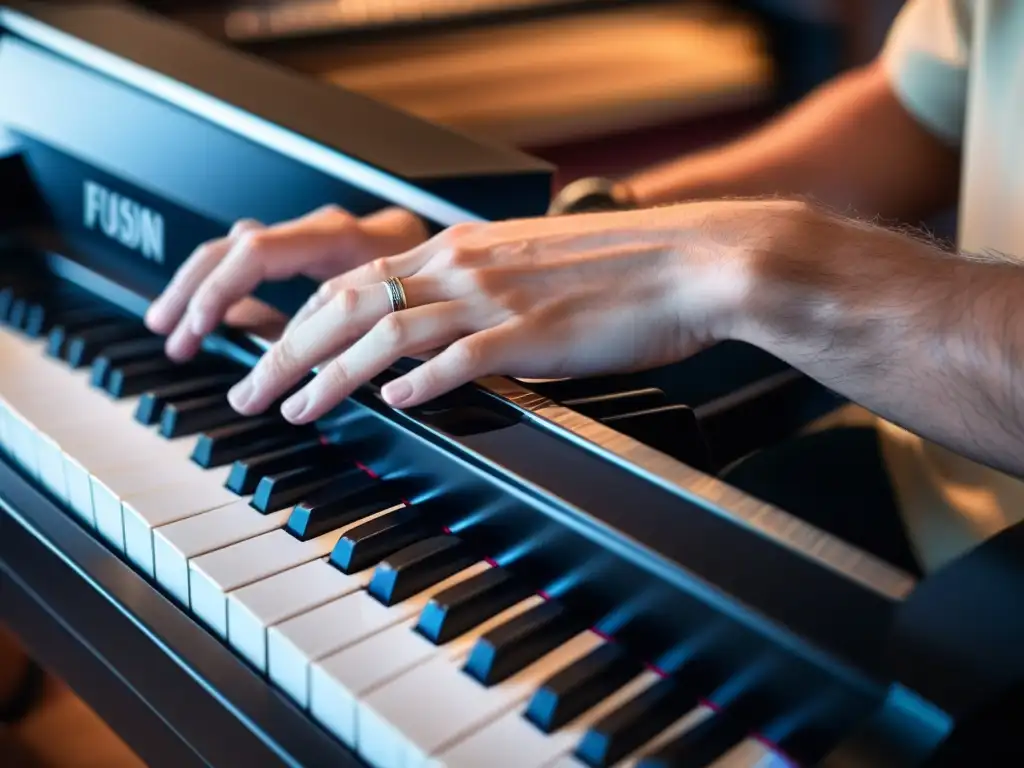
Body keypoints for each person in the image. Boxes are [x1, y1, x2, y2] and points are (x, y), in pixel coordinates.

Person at [144, 0, 1024, 579]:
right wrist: (564, 241)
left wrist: (746, 261)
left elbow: (759, 256)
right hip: (927, 479)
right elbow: (917, 112)